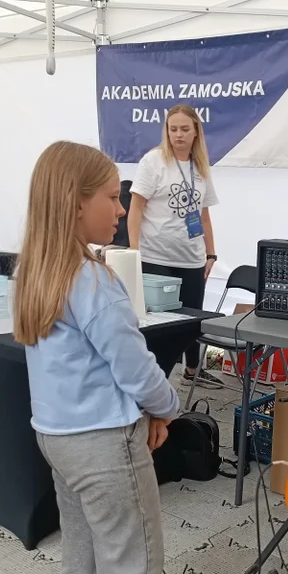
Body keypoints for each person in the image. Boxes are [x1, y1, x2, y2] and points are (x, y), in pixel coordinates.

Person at [14, 140, 180, 574]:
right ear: (73, 201)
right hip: (105, 447)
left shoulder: (36, 274)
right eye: (112, 196)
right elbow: (135, 370)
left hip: (59, 441)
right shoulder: (94, 281)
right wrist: (168, 406)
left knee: (82, 572)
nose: (121, 208)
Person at [127, 104, 222, 387]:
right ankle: (156, 379)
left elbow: (204, 215)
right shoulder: (153, 161)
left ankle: (193, 371)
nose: (178, 135)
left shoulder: (200, 166)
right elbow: (135, 209)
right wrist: (134, 251)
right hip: (156, 257)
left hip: (191, 258)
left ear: (195, 132)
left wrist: (211, 253)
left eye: (184, 129)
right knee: (160, 324)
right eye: (173, 129)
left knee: (193, 320)